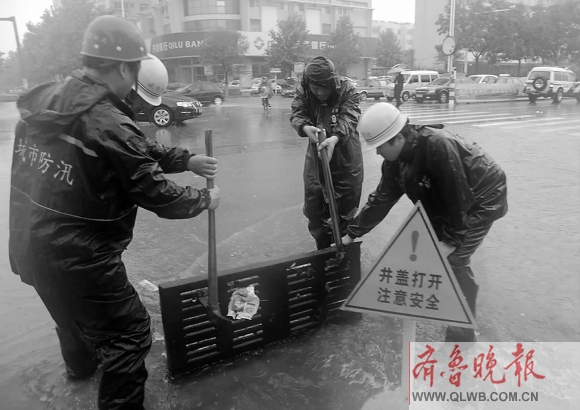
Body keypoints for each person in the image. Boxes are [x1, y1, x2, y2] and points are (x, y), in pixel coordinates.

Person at [9, 15, 220, 410]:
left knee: (71, 318)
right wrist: (203, 199)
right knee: (130, 335)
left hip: (29, 244)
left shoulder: (49, 102)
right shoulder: (104, 118)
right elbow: (153, 190)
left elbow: (130, 150)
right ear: (124, 68)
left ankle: (79, 377)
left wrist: (185, 159)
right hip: (80, 256)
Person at [342, 102, 508, 342]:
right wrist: (352, 233)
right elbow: (381, 199)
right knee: (439, 251)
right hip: (447, 200)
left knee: (453, 260)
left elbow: (458, 197)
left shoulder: (437, 146)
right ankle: (450, 310)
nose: (377, 153)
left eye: (380, 146)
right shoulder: (394, 162)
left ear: (398, 138)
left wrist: (450, 241)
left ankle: (462, 333)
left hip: (482, 195)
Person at [290, 56, 364, 250]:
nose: (321, 93)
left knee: (345, 215)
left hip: (345, 159)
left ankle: (343, 253)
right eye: (316, 88)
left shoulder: (347, 89)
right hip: (317, 159)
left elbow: (350, 116)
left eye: (325, 88)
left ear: (333, 83)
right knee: (316, 213)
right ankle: (323, 253)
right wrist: (305, 127)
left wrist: (335, 137)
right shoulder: (304, 91)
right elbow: (298, 113)